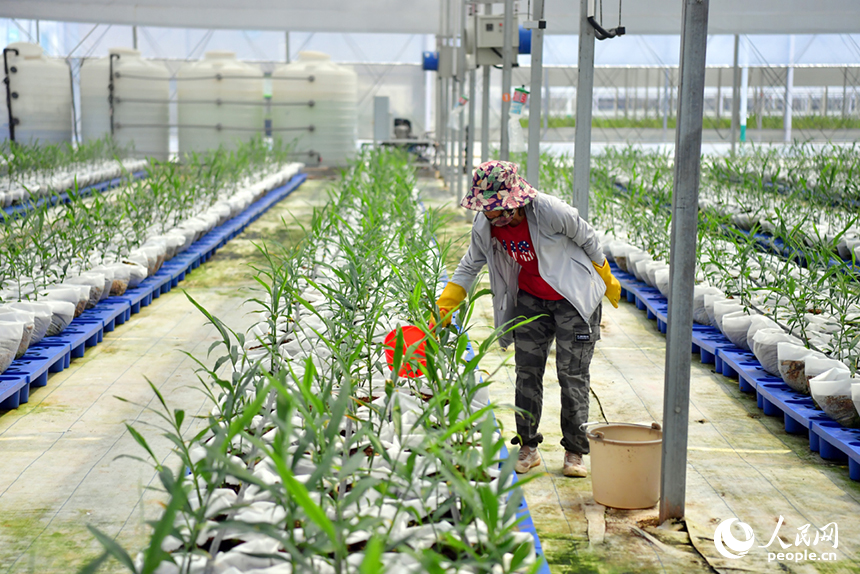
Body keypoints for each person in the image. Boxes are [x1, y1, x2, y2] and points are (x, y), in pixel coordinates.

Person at [433, 160, 621, 477]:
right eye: (484, 209)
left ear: (512, 204)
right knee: (526, 372)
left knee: (572, 374)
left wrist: (604, 274)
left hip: (573, 301)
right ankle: (528, 446)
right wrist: (447, 303)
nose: (487, 215)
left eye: (492, 209)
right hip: (532, 299)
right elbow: (469, 265)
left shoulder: (548, 211)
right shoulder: (486, 225)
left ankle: (575, 451)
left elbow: (587, 237)